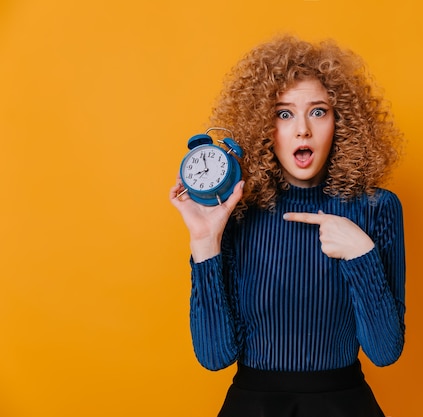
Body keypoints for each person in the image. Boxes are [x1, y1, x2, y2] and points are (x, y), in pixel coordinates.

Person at [170, 34, 406, 417]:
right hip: (253, 407)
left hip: (344, 406)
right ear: (264, 127)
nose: (302, 130)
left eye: (318, 111)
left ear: (341, 122)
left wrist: (360, 254)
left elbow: (384, 352)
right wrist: (204, 240)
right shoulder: (235, 214)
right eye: (284, 113)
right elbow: (215, 357)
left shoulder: (377, 208)